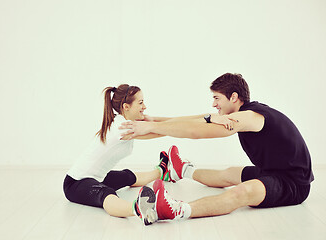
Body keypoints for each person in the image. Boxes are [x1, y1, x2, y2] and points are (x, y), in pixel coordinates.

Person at [120, 73, 314, 221]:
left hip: (293, 184)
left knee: (242, 192)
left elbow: (197, 132)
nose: (214, 104)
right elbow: (197, 121)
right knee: (230, 174)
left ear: (234, 97)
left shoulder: (249, 117)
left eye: (217, 98)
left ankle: (177, 209)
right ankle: (182, 170)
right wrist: (155, 121)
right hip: (272, 172)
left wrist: (152, 127)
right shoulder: (243, 112)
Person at [63, 84, 171, 225]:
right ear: (126, 106)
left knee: (126, 176)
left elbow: (158, 125)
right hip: (76, 183)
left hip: (97, 178)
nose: (144, 106)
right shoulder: (121, 127)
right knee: (106, 193)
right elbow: (158, 130)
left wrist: (186, 123)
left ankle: (162, 171)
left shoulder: (125, 122)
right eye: (140, 102)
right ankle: (138, 208)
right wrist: (186, 128)